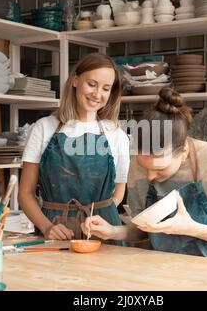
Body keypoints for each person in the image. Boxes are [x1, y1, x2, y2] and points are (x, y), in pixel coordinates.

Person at [82, 87, 207, 262]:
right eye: (145, 166)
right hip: (166, 273)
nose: (150, 176)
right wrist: (113, 231)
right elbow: (144, 229)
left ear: (184, 151)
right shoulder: (138, 164)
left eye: (160, 169)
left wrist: (192, 229)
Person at [19, 53, 130, 242]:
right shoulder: (44, 127)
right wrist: (47, 227)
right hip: (55, 231)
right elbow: (25, 193)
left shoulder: (116, 134)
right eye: (92, 84)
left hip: (101, 231)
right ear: (75, 80)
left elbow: (119, 193)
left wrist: (96, 219)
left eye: (106, 88)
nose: (97, 94)